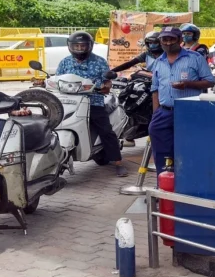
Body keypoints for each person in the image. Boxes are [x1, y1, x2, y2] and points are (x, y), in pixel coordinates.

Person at [56, 31, 127, 177]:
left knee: (106, 130)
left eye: (83, 46)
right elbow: (57, 79)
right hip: (68, 102)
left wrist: (105, 86)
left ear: (90, 46)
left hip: (93, 101)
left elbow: (107, 82)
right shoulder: (65, 62)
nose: (80, 49)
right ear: (70, 46)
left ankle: (118, 162)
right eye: (76, 46)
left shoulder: (100, 61)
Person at [149, 27, 215, 174]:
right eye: (164, 39)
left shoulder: (195, 58)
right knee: (161, 148)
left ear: (179, 40)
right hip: (164, 112)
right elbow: (155, 89)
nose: (167, 43)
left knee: (189, 148)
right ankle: (164, 182)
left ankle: (189, 181)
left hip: (189, 111)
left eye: (171, 39)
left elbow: (210, 81)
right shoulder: (158, 61)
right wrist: (156, 113)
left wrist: (187, 84)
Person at [112, 30, 163, 147]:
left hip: (163, 86)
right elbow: (129, 63)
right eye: (150, 43)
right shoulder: (147, 55)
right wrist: (112, 71)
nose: (152, 45)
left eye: (155, 43)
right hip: (151, 84)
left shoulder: (166, 55)